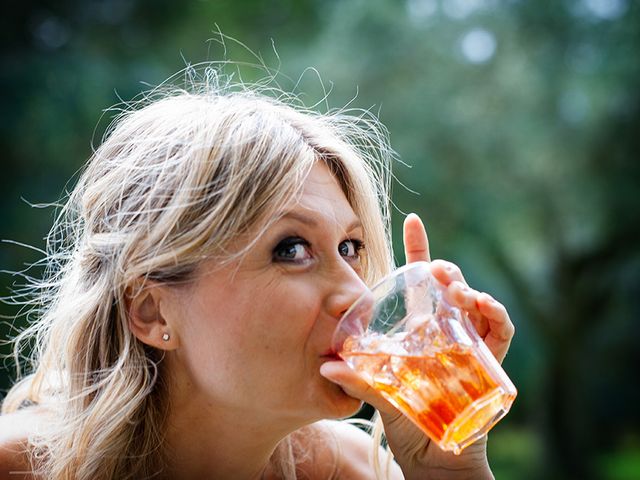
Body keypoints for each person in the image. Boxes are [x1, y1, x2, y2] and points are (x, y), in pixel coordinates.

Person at [0, 74, 514, 479]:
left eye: (350, 247)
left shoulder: (355, 472)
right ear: (151, 310)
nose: (359, 293)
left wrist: (447, 472)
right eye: (292, 249)